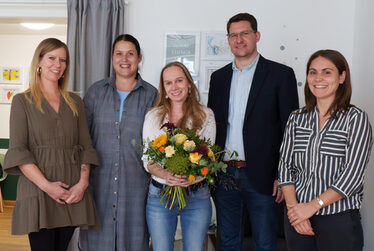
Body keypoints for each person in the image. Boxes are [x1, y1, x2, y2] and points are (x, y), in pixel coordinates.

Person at [207, 13, 299, 251]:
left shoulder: (281, 75)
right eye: (233, 35)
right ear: (228, 40)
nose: (239, 39)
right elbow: (213, 127)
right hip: (224, 173)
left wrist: (283, 175)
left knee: (265, 243)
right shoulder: (219, 78)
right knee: (227, 242)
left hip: (265, 176)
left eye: (245, 33)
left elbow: (291, 131)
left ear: (257, 36)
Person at [3, 38, 99, 251]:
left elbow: (86, 146)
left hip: (72, 192)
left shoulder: (75, 102)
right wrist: (48, 187)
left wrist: (82, 185)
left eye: (63, 60)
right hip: (38, 191)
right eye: (52, 58)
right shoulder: (22, 101)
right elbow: (19, 151)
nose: (58, 64)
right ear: (39, 61)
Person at [278, 49, 373, 251]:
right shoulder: (296, 118)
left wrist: (311, 207)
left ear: (342, 77)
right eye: (313, 72)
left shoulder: (355, 119)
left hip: (339, 220)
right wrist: (295, 211)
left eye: (327, 72)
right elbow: (285, 167)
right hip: (297, 218)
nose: (318, 78)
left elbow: (352, 176)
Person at [79, 34, 157, 251]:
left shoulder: (152, 95)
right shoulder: (95, 92)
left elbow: (158, 144)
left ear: (139, 58)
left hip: (135, 187)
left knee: (133, 243)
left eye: (130, 54)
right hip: (97, 184)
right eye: (119, 54)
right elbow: (83, 138)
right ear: (112, 58)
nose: (125, 59)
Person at [142, 62, 216, 251]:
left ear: (189, 83)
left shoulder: (205, 115)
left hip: (197, 194)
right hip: (160, 194)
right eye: (168, 83)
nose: (174, 87)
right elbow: (147, 159)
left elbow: (207, 157)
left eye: (179, 81)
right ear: (164, 88)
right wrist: (166, 175)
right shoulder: (153, 116)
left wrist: (189, 176)